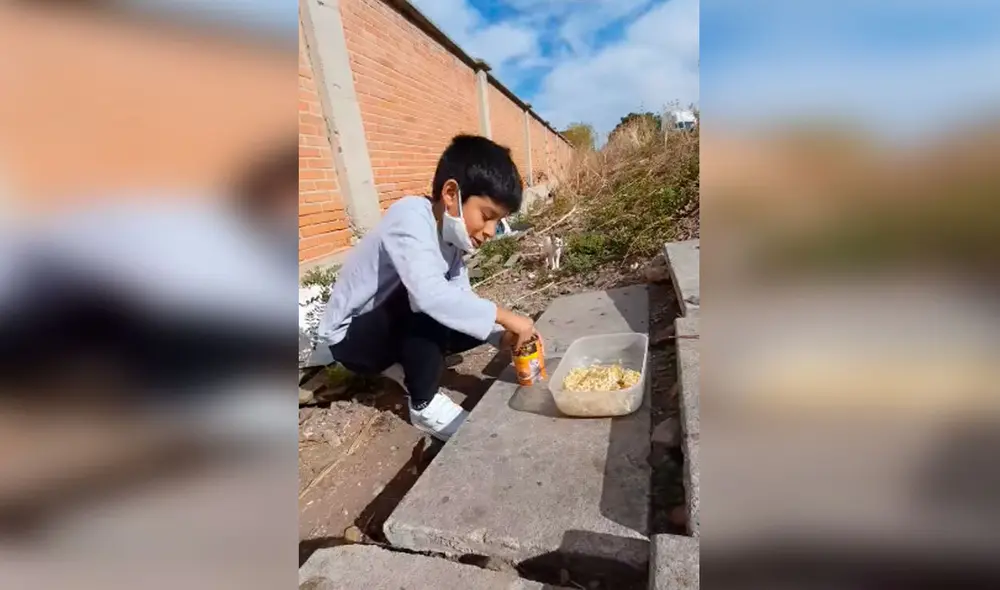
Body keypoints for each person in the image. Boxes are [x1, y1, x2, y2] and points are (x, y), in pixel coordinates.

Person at [318, 135, 540, 441]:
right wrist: (506, 316)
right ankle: (424, 404)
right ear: (451, 193)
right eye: (487, 216)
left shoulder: (452, 240)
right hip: (352, 339)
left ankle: (401, 364)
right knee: (427, 302)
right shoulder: (410, 216)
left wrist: (498, 335)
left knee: (457, 311)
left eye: (498, 223)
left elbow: (461, 297)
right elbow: (429, 296)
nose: (490, 232)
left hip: (387, 329)